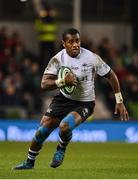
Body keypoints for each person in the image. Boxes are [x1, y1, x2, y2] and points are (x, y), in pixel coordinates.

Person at [13, 28, 129, 170]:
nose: (75, 44)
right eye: (71, 42)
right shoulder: (58, 59)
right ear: (64, 43)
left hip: (84, 103)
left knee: (64, 126)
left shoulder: (91, 58)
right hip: (63, 99)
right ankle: (29, 163)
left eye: (77, 41)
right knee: (41, 131)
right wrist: (62, 82)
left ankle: (61, 148)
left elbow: (111, 75)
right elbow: (44, 83)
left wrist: (119, 100)